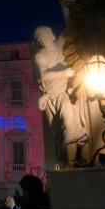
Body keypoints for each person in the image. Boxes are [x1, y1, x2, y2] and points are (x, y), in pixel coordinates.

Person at [34, 25, 89, 167]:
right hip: (53, 94)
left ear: (51, 35)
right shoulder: (40, 56)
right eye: (39, 38)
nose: (41, 39)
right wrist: (63, 73)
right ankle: (70, 153)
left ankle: (73, 150)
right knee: (57, 129)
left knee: (68, 116)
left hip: (67, 90)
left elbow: (71, 27)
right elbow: (43, 75)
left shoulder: (61, 44)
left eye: (43, 35)